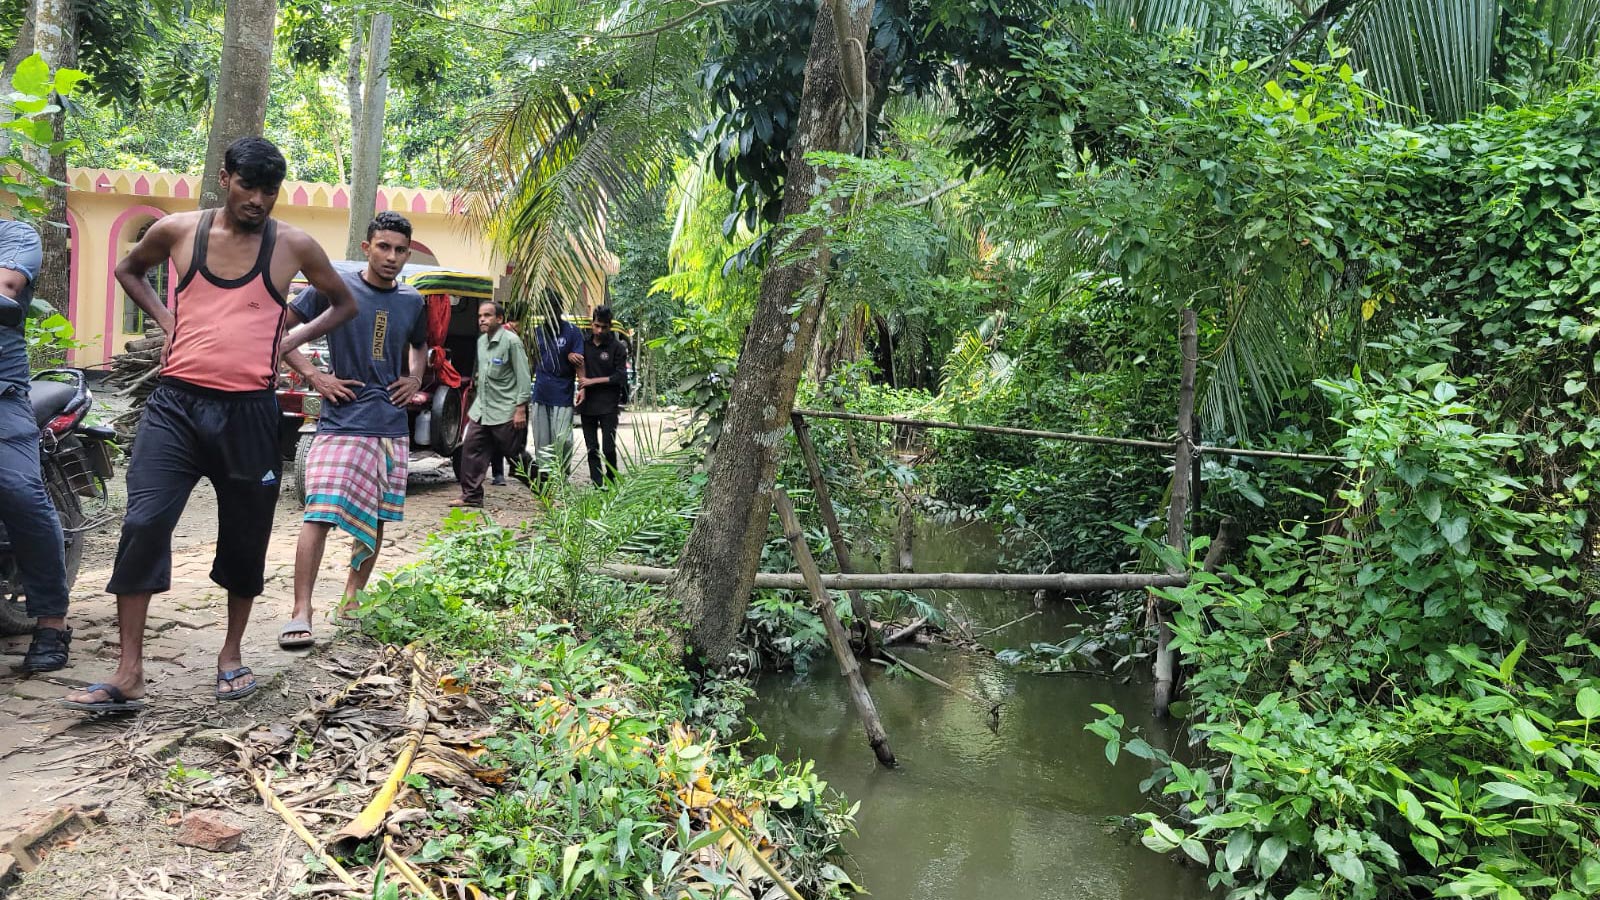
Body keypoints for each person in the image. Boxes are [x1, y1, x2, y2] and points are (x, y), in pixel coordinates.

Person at [63, 137, 358, 712]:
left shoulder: (294, 246)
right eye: (249, 186)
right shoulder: (178, 231)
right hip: (175, 406)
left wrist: (289, 339)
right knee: (145, 522)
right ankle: (128, 671)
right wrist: (168, 320)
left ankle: (230, 654)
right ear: (226, 178)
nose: (258, 200)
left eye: (269, 190)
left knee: (245, 536)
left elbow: (342, 303)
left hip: (249, 412)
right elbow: (130, 269)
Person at [278, 212, 427, 649]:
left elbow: (420, 345)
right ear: (367, 248)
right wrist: (315, 376)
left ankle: (352, 600)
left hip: (390, 426)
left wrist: (415, 378)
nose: (392, 257)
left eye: (400, 250)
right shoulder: (334, 288)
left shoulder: (412, 301)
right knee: (319, 513)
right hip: (341, 421)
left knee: (377, 517)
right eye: (384, 247)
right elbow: (280, 330)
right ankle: (300, 611)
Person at [0, 219, 73, 673]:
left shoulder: (16, 235)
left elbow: (7, 285)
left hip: (2, 392)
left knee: (19, 492)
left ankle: (52, 622)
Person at [452, 301, 531, 507]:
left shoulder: (512, 342)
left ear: (499, 319)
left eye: (487, 315)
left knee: (514, 455)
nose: (482, 319)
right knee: (470, 448)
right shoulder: (481, 342)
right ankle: (471, 496)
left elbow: (523, 376)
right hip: (483, 408)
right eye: (480, 316)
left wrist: (520, 407)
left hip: (505, 409)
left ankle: (544, 487)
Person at [529, 288, 584, 484]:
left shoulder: (572, 332)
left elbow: (579, 362)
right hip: (541, 391)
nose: (550, 311)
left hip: (563, 392)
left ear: (560, 308)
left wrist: (583, 387)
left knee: (564, 440)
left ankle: (562, 474)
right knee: (542, 440)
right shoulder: (536, 333)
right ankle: (546, 479)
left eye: (554, 307)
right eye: (547, 308)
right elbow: (531, 363)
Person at [576, 305, 629, 486]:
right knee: (592, 448)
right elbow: (576, 365)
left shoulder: (617, 348)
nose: (600, 330)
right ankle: (597, 483)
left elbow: (620, 376)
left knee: (608, 448)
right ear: (592, 324)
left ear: (610, 326)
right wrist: (583, 385)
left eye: (604, 327)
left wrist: (593, 381)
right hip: (587, 404)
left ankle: (612, 480)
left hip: (608, 405)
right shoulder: (583, 343)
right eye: (597, 326)